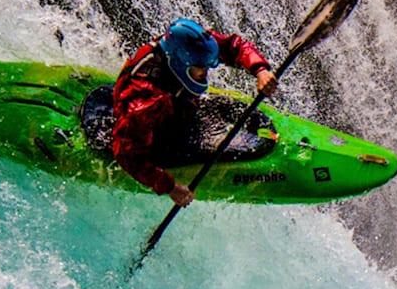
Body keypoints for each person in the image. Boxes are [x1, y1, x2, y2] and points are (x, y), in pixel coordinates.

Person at [112, 18, 279, 206]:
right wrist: (169, 187)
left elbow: (234, 46)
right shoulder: (146, 100)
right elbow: (127, 154)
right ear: (180, 64)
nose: (205, 73)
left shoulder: (186, 46)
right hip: (152, 135)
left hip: (174, 108)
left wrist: (260, 69)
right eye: (201, 69)